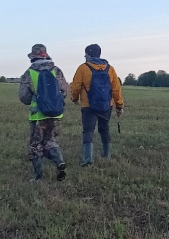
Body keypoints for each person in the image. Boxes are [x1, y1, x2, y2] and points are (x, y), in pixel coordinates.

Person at [18, 44, 68, 182]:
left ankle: (38, 177)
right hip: (56, 114)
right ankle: (59, 162)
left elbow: (24, 97)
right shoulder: (57, 71)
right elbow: (64, 92)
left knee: (36, 145)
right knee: (51, 141)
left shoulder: (29, 73)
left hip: (38, 116)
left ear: (32, 56)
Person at [70, 44, 124, 166]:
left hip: (88, 106)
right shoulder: (110, 69)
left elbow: (76, 86)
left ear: (89, 54)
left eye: (86, 53)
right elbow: (116, 89)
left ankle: (88, 159)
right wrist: (119, 105)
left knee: (88, 131)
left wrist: (74, 99)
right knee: (104, 129)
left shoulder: (83, 68)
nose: (84, 56)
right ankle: (107, 156)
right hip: (106, 105)